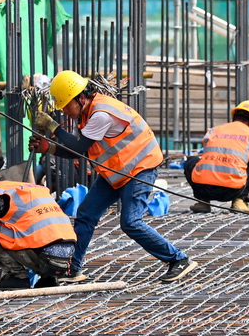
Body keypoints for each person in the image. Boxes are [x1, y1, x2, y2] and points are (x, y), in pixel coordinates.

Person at [31, 71, 197, 283]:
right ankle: (72, 269)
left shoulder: (101, 113)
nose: (64, 110)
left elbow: (80, 147)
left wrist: (52, 127)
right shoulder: (87, 112)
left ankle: (178, 259)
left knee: (131, 222)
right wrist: (49, 148)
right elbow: (83, 149)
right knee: (86, 213)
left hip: (139, 168)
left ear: (80, 98)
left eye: (65, 105)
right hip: (116, 171)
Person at [0, 167, 77, 290]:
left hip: (48, 258)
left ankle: (16, 276)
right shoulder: (23, 188)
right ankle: (49, 279)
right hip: (67, 258)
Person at [184, 100, 249, 214]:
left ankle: (203, 201)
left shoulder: (214, 130)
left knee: (191, 161)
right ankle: (239, 201)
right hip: (233, 191)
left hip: (203, 188)